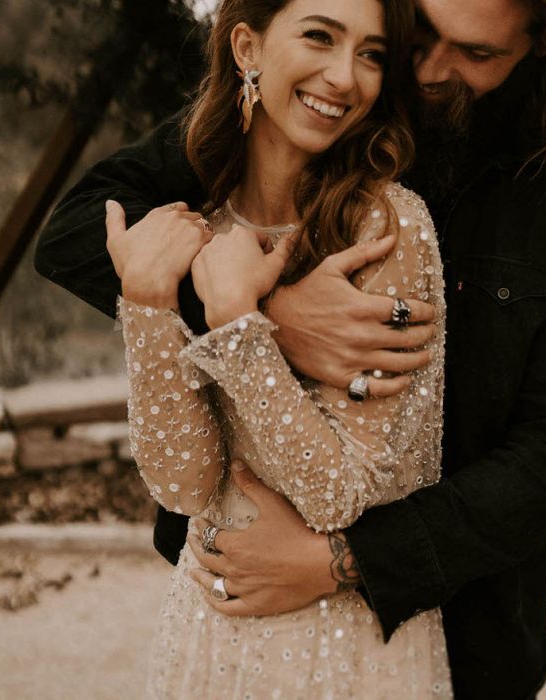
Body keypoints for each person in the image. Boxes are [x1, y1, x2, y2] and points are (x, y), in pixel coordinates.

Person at [35, 0, 546, 697]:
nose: (426, 70)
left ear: (543, 43)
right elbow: (81, 231)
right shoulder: (331, 99)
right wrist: (266, 311)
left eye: (475, 55)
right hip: (232, 597)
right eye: (417, 36)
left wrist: (345, 560)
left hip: (462, 621)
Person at [105, 0, 454, 696]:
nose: (344, 76)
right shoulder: (199, 226)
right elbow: (184, 486)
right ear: (246, 47)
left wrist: (237, 320)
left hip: (350, 651)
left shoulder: (388, 228)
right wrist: (146, 302)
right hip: (208, 636)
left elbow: (338, 497)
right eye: (320, 37)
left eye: (371, 54)